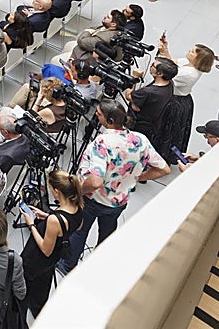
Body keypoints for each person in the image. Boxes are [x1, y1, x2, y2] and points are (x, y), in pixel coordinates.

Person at [59, 101, 169, 273]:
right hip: (119, 201)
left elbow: (95, 182)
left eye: (99, 114)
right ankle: (99, 265)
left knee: (79, 232)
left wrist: (77, 190)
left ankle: (68, 266)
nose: (96, 115)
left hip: (91, 200)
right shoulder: (140, 140)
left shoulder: (103, 142)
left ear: (109, 120)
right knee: (108, 232)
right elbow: (164, 168)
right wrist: (138, 176)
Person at [21, 170, 85, 318]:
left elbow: (45, 249)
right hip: (56, 254)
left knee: (27, 283)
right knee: (43, 285)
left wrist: (31, 225)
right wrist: (47, 216)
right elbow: (77, 226)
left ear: (57, 191)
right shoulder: (78, 207)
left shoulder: (55, 220)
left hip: (39, 258)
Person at [151, 37, 214, 160]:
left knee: (165, 131)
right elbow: (171, 63)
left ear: (199, 60)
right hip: (179, 98)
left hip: (174, 102)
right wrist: (165, 49)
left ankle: (160, 157)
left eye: (193, 52)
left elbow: (166, 75)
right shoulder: (187, 62)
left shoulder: (189, 74)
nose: (189, 51)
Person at [125, 56, 177, 142]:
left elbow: (129, 96)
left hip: (138, 126)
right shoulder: (169, 84)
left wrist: (134, 79)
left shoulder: (148, 92)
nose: (151, 66)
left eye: (153, 65)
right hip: (152, 127)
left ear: (160, 74)